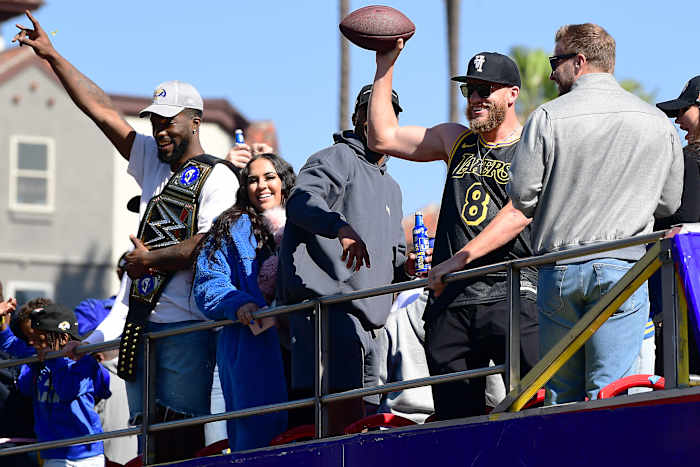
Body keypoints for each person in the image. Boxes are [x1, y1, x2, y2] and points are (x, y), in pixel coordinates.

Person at [14, 12, 239, 462]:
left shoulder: (218, 178)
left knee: (183, 435)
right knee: (148, 438)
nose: (159, 130)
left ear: (195, 121)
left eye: (169, 121)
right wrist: (54, 57)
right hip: (140, 322)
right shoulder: (153, 161)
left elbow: (208, 245)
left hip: (185, 326)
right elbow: (100, 110)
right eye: (154, 122)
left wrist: (149, 262)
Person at [427, 23, 684, 404]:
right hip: (624, 268)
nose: (550, 72)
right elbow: (668, 203)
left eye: (556, 61)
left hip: (560, 270)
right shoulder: (655, 121)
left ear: (579, 62)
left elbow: (523, 198)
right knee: (611, 392)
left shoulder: (548, 117)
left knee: (559, 396)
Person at [368, 48, 539, 419]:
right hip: (453, 299)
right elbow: (382, 137)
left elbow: (517, 215)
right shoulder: (456, 141)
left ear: (511, 93)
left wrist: (457, 259)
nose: (475, 99)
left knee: (536, 407)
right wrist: (386, 64)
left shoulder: (531, 146)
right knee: (456, 419)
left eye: (484, 89)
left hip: (509, 291)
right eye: (469, 91)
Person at [277, 84, 409, 434]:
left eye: (389, 111)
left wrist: (410, 266)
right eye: (369, 109)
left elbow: (396, 255)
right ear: (356, 118)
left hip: (373, 324)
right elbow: (301, 201)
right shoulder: (336, 157)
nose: (378, 116)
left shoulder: (393, 187)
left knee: (363, 424)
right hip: (330, 313)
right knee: (334, 426)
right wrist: (339, 227)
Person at [193, 153, 294, 450]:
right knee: (256, 442)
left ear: (284, 182)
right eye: (252, 179)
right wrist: (238, 303)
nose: (261, 185)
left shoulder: (304, 222)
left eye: (269, 177)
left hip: (303, 347)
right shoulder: (229, 227)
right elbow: (208, 283)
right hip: (251, 349)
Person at [1, 300, 111, 467]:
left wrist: (54, 360)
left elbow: (67, 391)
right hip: (53, 453)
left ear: (62, 336)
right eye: (29, 338)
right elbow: (10, 344)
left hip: (86, 455)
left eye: (36, 337)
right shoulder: (40, 354)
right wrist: (1, 321)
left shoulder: (82, 361)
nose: (31, 343)